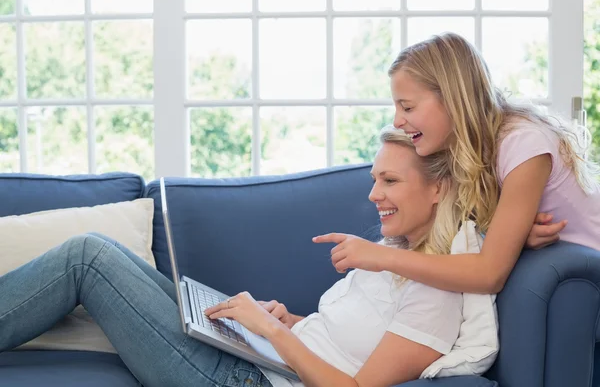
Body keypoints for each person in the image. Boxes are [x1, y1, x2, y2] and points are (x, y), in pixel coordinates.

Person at [1, 129, 464, 387]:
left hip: (245, 382)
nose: (373, 194)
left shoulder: (434, 293)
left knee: (90, 257)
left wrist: (270, 334)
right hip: (258, 360)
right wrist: (288, 321)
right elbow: (340, 342)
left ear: (439, 187)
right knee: (112, 261)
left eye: (390, 182)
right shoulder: (394, 256)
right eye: (375, 179)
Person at [314, 32, 600, 294]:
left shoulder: (524, 145)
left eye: (408, 106)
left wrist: (382, 256)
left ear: (452, 99)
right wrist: (515, 238)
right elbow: (465, 241)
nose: (397, 120)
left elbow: (489, 274)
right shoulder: (461, 151)